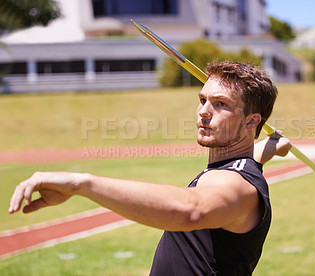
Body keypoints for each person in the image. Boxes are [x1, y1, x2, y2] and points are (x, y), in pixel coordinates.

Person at [9, 61, 291, 275]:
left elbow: (192, 210)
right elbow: (249, 156)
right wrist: (272, 147)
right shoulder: (242, 165)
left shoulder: (236, 185)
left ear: (252, 121)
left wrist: (82, 184)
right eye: (202, 99)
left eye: (221, 104)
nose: (204, 111)